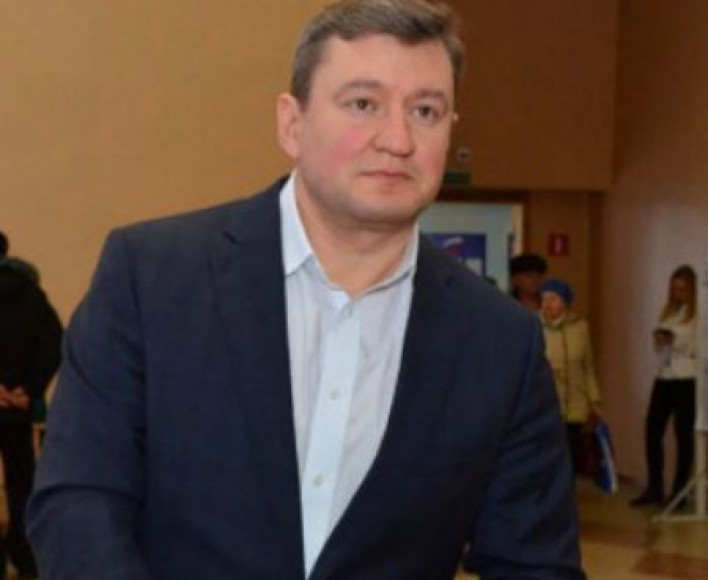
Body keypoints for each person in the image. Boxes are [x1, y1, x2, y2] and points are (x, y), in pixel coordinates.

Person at [27, 1, 585, 579]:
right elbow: (79, 500)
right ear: (292, 125)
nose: (397, 139)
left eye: (425, 111)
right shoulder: (151, 278)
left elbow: (535, 564)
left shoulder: (501, 342)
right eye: (363, 104)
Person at [0, 231, 63, 580]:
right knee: (22, 485)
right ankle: (28, 560)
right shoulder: (32, 295)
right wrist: (28, 389)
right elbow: (53, 342)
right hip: (20, 410)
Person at [631, 265, 697, 508]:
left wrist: (674, 340)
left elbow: (696, 345)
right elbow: (660, 347)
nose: (678, 293)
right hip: (664, 375)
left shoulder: (698, 315)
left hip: (686, 378)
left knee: (684, 435)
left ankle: (680, 492)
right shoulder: (668, 312)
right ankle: (654, 486)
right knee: (653, 430)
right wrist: (660, 339)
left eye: (683, 289)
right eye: (675, 288)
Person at [539, 278, 602, 474]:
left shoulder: (580, 328)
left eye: (553, 299)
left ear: (565, 302)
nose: (547, 304)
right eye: (544, 299)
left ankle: (568, 489)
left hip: (576, 403)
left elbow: (588, 366)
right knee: (549, 456)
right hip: (548, 403)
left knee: (572, 453)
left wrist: (595, 400)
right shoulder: (535, 327)